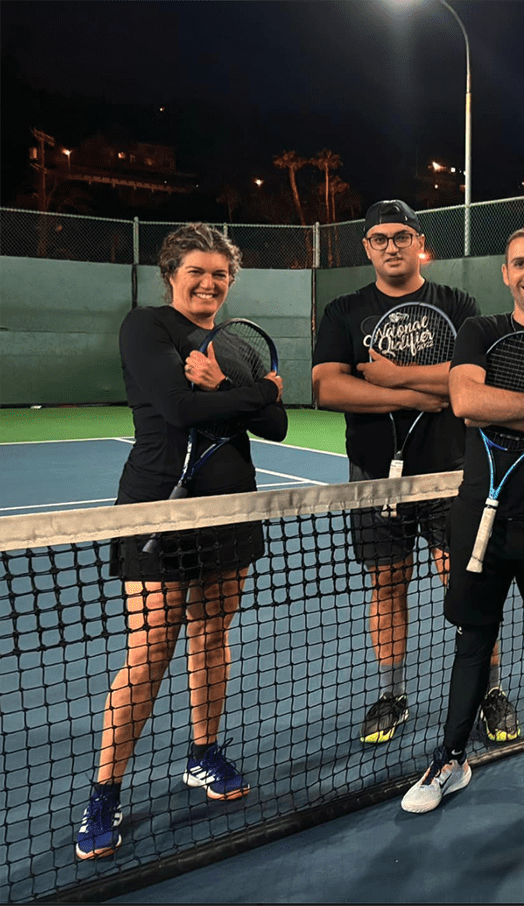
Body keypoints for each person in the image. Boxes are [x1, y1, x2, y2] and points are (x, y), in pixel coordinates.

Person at [75, 223, 287, 860]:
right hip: (157, 509)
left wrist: (226, 388)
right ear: (172, 273)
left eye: (221, 274)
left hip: (229, 507)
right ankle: (105, 791)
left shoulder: (232, 345)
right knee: (149, 652)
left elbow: (275, 423)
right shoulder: (146, 327)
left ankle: (203, 753)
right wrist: (246, 398)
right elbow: (175, 409)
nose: (210, 283)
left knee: (211, 635)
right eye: (198, 271)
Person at [400, 226, 524, 817]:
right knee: (472, 644)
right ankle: (450, 758)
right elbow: (467, 404)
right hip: (478, 518)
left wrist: (509, 408)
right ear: (506, 273)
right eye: (520, 263)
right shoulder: (480, 332)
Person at [312, 199, 520, 746]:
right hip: (375, 476)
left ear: (418, 241)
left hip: (452, 473)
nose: (391, 246)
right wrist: (415, 392)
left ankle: (490, 690)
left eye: (401, 235)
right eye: (379, 238)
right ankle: (392, 694)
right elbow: (328, 387)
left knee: (467, 581)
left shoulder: (458, 303)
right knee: (387, 582)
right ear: (367, 247)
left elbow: (469, 380)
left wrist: (391, 375)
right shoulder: (344, 311)